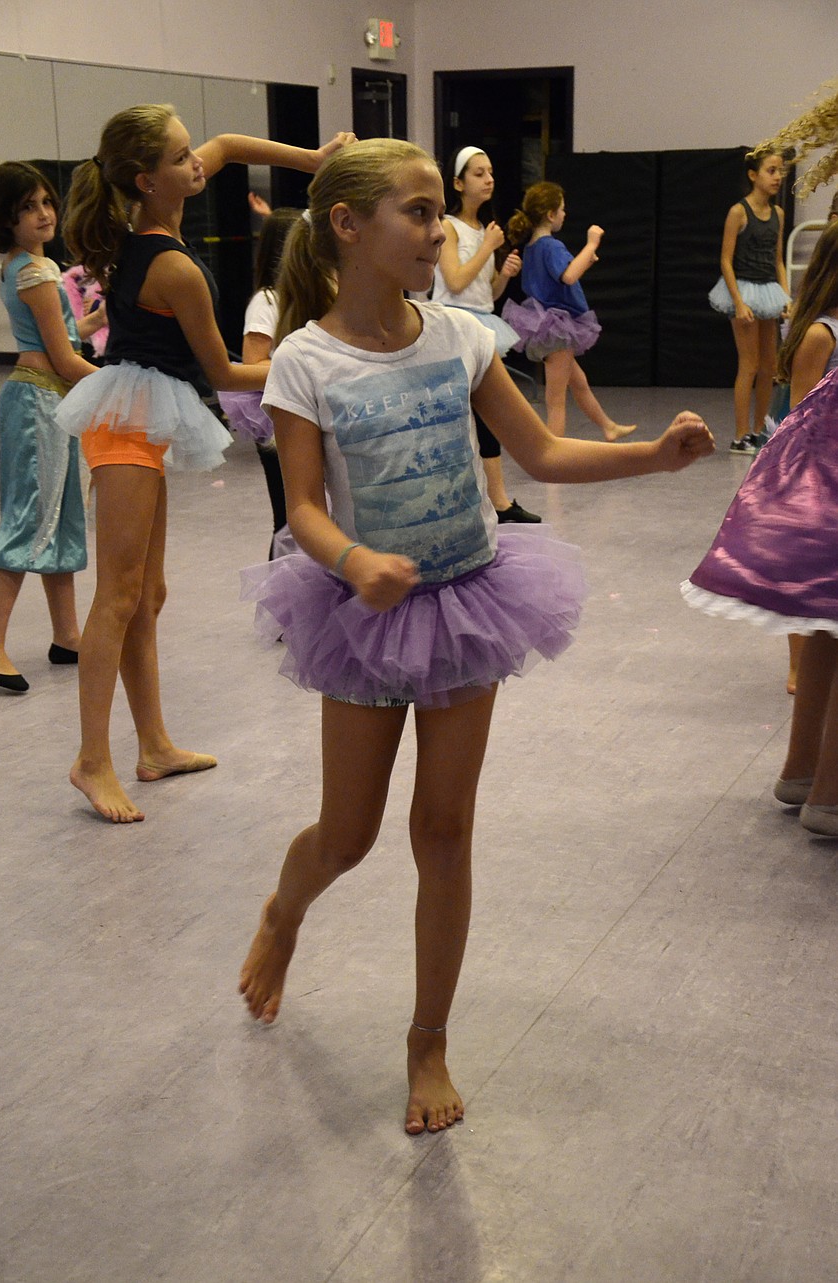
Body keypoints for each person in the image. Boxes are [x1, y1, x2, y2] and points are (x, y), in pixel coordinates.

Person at [237, 138, 714, 1135]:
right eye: (417, 212)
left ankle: (428, 1039)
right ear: (348, 225)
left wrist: (657, 463)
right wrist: (348, 562)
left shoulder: (459, 334)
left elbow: (538, 451)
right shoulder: (303, 361)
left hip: (465, 601)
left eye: (434, 212)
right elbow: (306, 507)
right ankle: (285, 912)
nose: (437, 230)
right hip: (364, 619)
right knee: (349, 833)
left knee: (443, 830)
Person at [56, 103, 354, 823]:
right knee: (118, 595)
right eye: (182, 157)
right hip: (126, 424)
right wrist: (311, 354)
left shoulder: (148, 221)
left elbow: (227, 144)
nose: (199, 163)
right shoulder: (171, 267)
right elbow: (222, 371)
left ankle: (152, 742)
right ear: (146, 178)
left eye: (192, 153)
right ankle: (92, 758)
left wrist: (312, 160)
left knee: (147, 593)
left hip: (143, 413)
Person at [0, 162, 99, 694]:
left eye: (46, 203)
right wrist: (125, 388)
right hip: (40, 400)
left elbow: (67, 335)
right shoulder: (36, 271)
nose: (43, 214)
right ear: (4, 219)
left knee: (62, 516)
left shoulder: (27, 264)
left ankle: (67, 634)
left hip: (47, 401)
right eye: (27, 208)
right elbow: (63, 356)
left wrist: (95, 323)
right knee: (31, 520)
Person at [431, 145, 539, 523]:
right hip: (453, 328)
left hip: (480, 323)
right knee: (467, 418)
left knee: (486, 417)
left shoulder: (484, 229)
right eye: (478, 173)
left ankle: (498, 501)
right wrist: (489, 248)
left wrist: (504, 275)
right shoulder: (448, 226)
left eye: (490, 172)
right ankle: (492, 501)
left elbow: (486, 294)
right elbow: (456, 281)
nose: (489, 179)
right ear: (458, 183)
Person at [502, 181, 636, 443]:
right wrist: (591, 244)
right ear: (551, 214)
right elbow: (569, 276)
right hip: (556, 328)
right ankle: (554, 455)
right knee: (556, 400)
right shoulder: (551, 246)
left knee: (579, 383)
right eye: (562, 209)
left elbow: (560, 277)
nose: (565, 214)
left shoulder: (532, 247)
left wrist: (585, 259)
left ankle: (608, 427)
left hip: (547, 326)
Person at [775, 219, 838, 693]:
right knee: (804, 569)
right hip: (817, 465)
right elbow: (801, 413)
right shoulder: (821, 335)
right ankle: (799, 663)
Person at [218, 206, 302, 559]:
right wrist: (305, 365)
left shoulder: (303, 298)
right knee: (288, 516)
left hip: (301, 406)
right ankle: (284, 593)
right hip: (274, 411)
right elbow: (253, 363)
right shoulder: (266, 301)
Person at [708, 149, 791, 454]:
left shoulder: (779, 215)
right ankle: (741, 434)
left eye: (779, 171)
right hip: (743, 290)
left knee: (769, 366)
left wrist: (786, 295)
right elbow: (726, 261)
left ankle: (761, 430)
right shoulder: (738, 212)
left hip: (768, 290)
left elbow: (778, 260)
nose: (777, 177)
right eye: (771, 171)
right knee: (750, 363)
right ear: (753, 175)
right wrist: (739, 302)